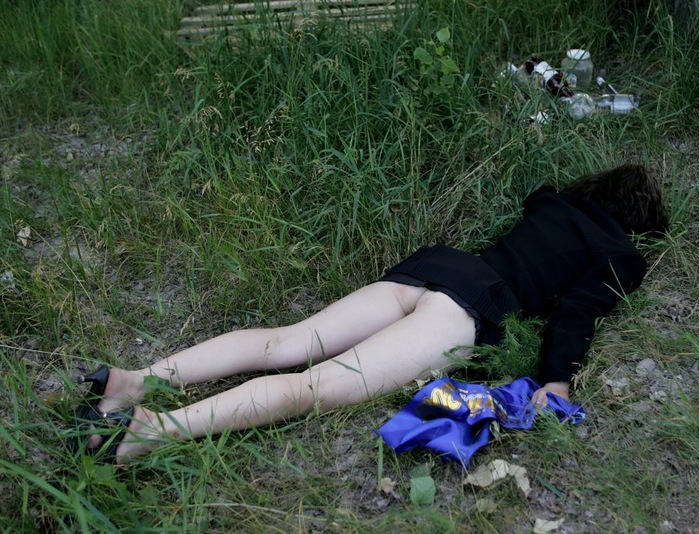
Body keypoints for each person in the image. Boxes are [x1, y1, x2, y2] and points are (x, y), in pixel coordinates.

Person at [72, 163, 668, 464]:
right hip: (470, 305)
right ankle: (154, 431)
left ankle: (135, 381)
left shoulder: (553, 203)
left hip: (437, 267)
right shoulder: (621, 255)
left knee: (285, 342)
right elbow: (577, 315)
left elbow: (539, 195)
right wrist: (557, 378)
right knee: (310, 388)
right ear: (637, 224)